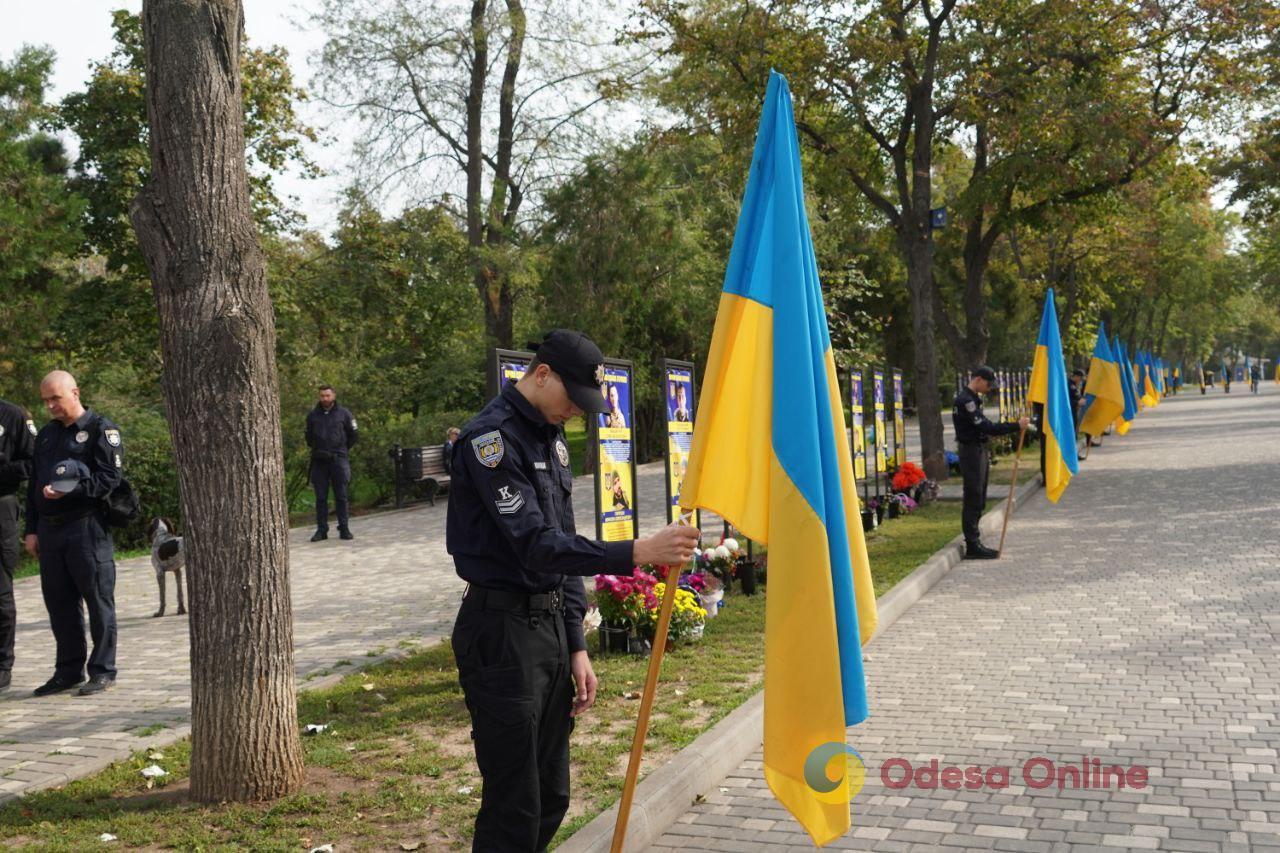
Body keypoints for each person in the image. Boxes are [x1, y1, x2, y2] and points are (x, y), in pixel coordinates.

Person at [446, 328, 699, 851]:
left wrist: (577, 645)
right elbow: (537, 546)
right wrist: (636, 551)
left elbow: (562, 550)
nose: (577, 412)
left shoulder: (550, 439)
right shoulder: (490, 442)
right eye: (574, 400)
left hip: (548, 632)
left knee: (552, 793)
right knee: (514, 803)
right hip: (501, 635)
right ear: (542, 374)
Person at [24, 371, 122, 696]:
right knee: (60, 604)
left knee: (98, 600)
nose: (50, 405)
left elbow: (109, 479)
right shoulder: (47, 436)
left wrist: (72, 492)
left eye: (56, 398)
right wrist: (31, 530)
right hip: (50, 533)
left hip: (85, 527)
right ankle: (68, 671)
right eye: (46, 400)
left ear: (75, 392)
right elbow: (35, 486)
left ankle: (103, 671)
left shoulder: (100, 430)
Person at [952, 366, 1030, 560]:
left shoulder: (972, 398)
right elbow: (987, 427)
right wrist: (1015, 426)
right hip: (971, 451)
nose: (989, 388)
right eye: (987, 384)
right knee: (974, 495)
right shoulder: (966, 400)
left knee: (980, 496)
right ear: (978, 379)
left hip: (978, 450)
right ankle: (972, 544)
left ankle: (975, 540)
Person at [0, 398, 36, 692]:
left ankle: (2, 664)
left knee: (0, 590)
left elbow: (32, 461)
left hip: (1, 507)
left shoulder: (11, 415)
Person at [305, 385, 358, 542]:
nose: (325, 399)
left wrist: (341, 449)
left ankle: (344, 527)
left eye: (327, 395)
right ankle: (322, 529)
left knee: (341, 496)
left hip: (338, 460)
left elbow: (353, 434)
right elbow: (308, 437)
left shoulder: (344, 414)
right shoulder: (313, 415)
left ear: (333, 396)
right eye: (322, 396)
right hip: (320, 461)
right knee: (321, 498)